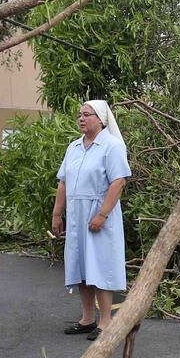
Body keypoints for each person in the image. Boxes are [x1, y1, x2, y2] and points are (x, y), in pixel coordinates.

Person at [52, 100, 131, 340]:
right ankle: (87, 319)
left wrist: (102, 215)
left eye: (87, 114)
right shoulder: (74, 147)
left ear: (101, 119)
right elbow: (63, 182)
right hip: (76, 213)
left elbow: (119, 182)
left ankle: (105, 322)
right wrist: (57, 213)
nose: (81, 118)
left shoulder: (112, 145)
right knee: (80, 265)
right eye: (80, 114)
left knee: (101, 265)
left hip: (99, 211)